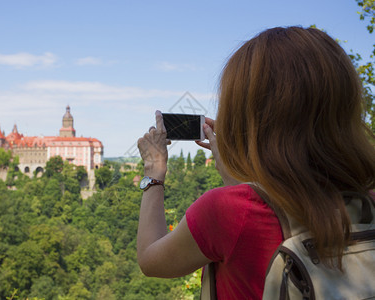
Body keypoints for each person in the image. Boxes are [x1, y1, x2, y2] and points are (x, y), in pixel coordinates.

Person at [136, 26, 375, 299]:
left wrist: (154, 171)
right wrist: (234, 171)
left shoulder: (226, 212)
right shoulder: (368, 202)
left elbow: (149, 259)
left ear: (244, 115)